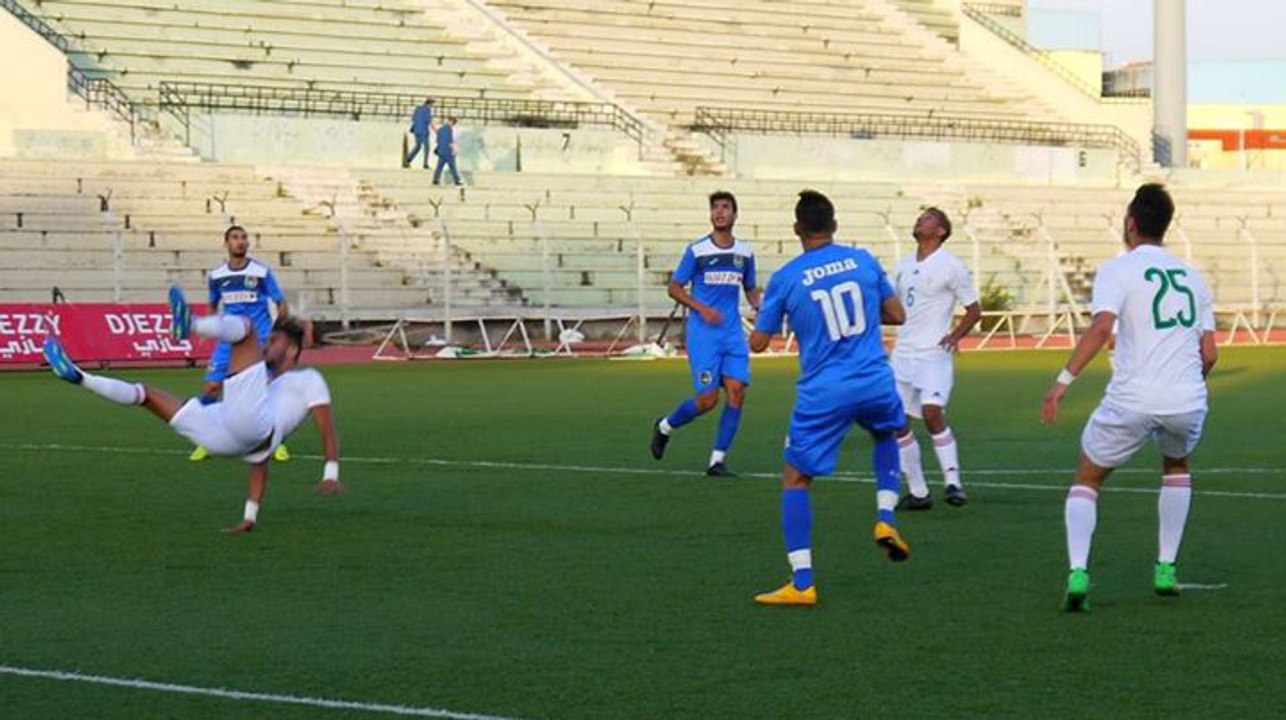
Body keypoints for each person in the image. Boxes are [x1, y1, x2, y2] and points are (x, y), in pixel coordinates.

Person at [1042, 183, 1217, 612]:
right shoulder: (1193, 278)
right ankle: (1166, 569)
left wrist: (1062, 382)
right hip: (1187, 399)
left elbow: (1102, 329)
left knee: (1087, 478)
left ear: (1131, 224)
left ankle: (1079, 573)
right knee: (1176, 466)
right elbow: (1210, 353)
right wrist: (1185, 384)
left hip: (1133, 397)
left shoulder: (1118, 270)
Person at [43, 287, 342, 533]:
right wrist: (250, 516)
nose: (267, 345)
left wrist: (331, 472)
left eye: (274, 341)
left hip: (253, 429)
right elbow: (260, 463)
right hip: (226, 436)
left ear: (291, 351)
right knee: (146, 395)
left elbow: (326, 428)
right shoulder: (259, 380)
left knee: (247, 330)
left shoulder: (308, 379)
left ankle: (191, 325)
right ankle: (79, 377)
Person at [749, 190, 909, 607]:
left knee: (795, 478)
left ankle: (802, 583)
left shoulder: (786, 277)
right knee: (886, 433)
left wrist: (762, 318)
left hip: (825, 390)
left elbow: (761, 342)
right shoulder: (863, 260)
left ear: (797, 229)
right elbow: (896, 315)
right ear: (834, 226)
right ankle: (885, 518)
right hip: (874, 378)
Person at [650, 191, 759, 476]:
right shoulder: (698, 251)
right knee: (708, 401)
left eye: (725, 207)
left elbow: (749, 287)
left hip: (733, 334)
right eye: (715, 208)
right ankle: (665, 426)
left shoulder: (744, 253)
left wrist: (760, 307)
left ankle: (717, 460)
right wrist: (701, 308)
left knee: (737, 392)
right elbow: (674, 287)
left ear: (735, 214)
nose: (720, 212)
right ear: (711, 214)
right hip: (704, 336)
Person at [891, 208, 982, 509]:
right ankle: (918, 492)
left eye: (928, 217)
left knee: (932, 413)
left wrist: (955, 336)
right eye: (920, 216)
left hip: (933, 353)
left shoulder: (951, 266)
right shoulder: (903, 266)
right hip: (903, 353)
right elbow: (895, 310)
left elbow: (974, 309)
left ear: (941, 231)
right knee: (896, 422)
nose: (920, 219)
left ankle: (953, 482)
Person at [190, 225, 291, 463]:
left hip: (259, 340)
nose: (241, 242)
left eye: (244, 237)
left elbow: (280, 302)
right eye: (235, 238)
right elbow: (213, 305)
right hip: (228, 340)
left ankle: (277, 442)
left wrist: (278, 330)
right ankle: (205, 440)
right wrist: (210, 328)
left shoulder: (261, 272)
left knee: (266, 390)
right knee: (212, 388)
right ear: (226, 243)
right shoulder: (216, 276)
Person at [405, 97, 435, 169]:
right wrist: (436, 130)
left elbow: (413, 118)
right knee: (427, 148)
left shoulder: (418, 108)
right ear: (429, 103)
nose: (432, 106)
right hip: (423, 131)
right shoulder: (427, 110)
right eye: (432, 104)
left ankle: (408, 159)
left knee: (418, 146)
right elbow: (429, 121)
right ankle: (425, 164)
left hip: (416, 130)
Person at [433, 116, 462, 186]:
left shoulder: (440, 129)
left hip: (441, 151)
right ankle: (457, 180)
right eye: (453, 123)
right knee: (453, 167)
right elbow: (450, 141)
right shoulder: (449, 130)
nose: (453, 125)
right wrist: (453, 150)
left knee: (439, 167)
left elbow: (437, 140)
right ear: (451, 121)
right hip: (448, 152)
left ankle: (435, 180)